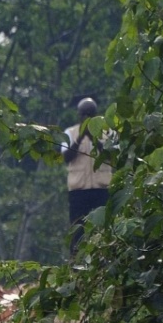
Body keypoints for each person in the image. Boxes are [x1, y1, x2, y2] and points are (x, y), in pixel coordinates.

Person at [64, 97, 112, 228]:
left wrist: (93, 138)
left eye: (89, 115)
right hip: (78, 191)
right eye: (83, 115)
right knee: (77, 228)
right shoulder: (70, 133)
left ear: (95, 115)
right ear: (78, 115)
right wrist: (80, 138)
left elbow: (112, 156)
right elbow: (66, 157)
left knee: (103, 228)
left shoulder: (107, 132)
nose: (86, 118)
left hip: (101, 189)